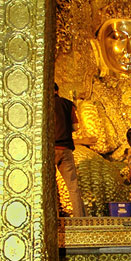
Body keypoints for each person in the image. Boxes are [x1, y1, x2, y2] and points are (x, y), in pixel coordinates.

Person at [54, 83, 86, 217]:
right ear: (57, 90)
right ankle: (79, 218)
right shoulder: (68, 104)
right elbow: (76, 127)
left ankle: (52, 217)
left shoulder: (42, 103)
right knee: (73, 186)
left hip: (49, 149)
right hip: (65, 148)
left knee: (49, 185)